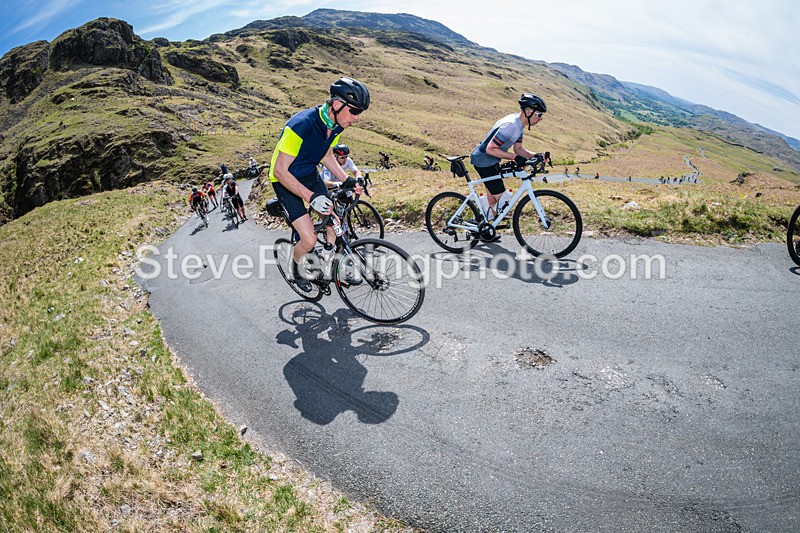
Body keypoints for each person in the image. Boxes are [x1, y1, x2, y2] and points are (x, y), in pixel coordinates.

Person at [269, 77, 369, 291]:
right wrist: (310, 196)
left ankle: (331, 263)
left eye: (359, 113)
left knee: (335, 221)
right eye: (354, 111)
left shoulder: (334, 125)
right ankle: (296, 269)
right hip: (284, 180)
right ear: (336, 104)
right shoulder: (301, 125)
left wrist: (347, 179)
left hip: (309, 174)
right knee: (309, 239)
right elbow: (280, 170)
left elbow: (325, 155)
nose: (356, 118)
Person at [470, 93, 546, 222]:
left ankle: (482, 227)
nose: (540, 119)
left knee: (493, 200)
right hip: (483, 160)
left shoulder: (519, 126)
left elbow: (519, 149)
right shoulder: (510, 125)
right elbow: (490, 148)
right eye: (539, 115)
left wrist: (536, 155)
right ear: (528, 111)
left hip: (492, 160)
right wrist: (514, 157)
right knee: (502, 201)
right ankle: (481, 222)